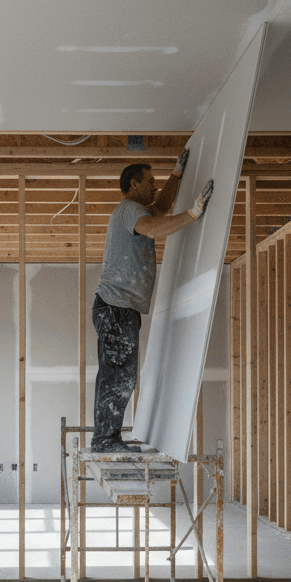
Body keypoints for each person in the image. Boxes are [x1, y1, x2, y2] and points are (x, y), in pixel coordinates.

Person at [90, 155, 213, 452]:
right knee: (118, 377)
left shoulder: (136, 209)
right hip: (117, 309)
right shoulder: (130, 209)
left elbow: (160, 208)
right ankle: (105, 441)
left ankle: (107, 439)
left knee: (119, 375)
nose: (155, 187)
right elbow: (154, 228)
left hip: (119, 308)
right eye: (151, 182)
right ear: (134, 183)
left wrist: (176, 175)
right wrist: (193, 214)